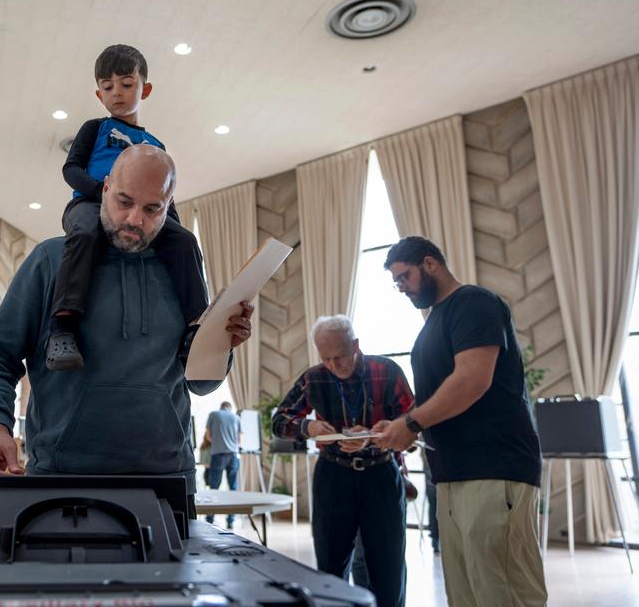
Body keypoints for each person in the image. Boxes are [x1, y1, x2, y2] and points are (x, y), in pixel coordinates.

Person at [0, 145, 254, 493]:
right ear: (104, 189)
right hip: (61, 479)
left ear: (169, 207)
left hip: (168, 482)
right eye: (124, 201)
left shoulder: (184, 272)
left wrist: (220, 345)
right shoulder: (50, 260)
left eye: (153, 209)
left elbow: (201, 384)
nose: (136, 219)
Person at [373, 236, 546, 607]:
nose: (401, 288)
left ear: (430, 263)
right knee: (466, 593)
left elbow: (472, 379)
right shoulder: (434, 321)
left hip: (494, 465)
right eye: (396, 283)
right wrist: (398, 424)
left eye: (404, 277)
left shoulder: (474, 303)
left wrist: (413, 423)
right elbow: (439, 391)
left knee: (503, 591)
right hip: (452, 472)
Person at [47, 44, 207, 371]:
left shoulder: (156, 146)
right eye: (108, 87)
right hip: (90, 205)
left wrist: (170, 226)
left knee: (186, 241)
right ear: (98, 94)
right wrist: (101, 193)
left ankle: (196, 327)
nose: (116, 93)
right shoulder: (95, 129)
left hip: (141, 212)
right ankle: (63, 326)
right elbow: (71, 169)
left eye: (126, 84)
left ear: (144, 89)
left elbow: (166, 197)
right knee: (85, 233)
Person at [272, 315, 414, 607]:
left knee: (388, 569)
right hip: (333, 476)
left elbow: (414, 419)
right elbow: (279, 420)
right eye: (327, 358)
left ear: (356, 346)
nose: (335, 366)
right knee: (330, 567)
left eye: (341, 356)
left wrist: (390, 427)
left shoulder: (386, 371)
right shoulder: (314, 377)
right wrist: (307, 427)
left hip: (380, 473)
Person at [204, 401, 242, 528]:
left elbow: (208, 436)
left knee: (214, 488)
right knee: (233, 489)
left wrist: (219, 442)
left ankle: (210, 519)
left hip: (218, 455)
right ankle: (231, 521)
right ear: (230, 408)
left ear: (220, 407)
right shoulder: (236, 417)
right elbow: (240, 440)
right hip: (233, 455)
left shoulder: (213, 414)